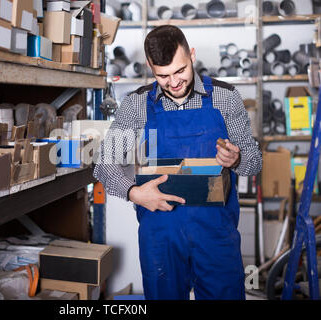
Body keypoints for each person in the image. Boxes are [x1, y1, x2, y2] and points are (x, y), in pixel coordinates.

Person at [93, 25, 262, 300]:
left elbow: (254, 163)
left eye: (180, 71)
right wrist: (133, 193)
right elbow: (104, 164)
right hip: (161, 235)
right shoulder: (136, 104)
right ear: (150, 67)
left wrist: (237, 158)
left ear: (191, 55)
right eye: (163, 75)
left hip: (215, 235)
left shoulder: (225, 97)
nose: (173, 83)